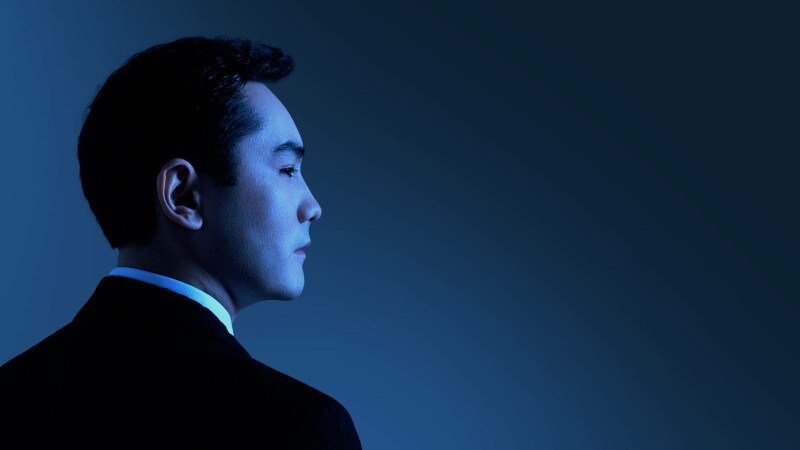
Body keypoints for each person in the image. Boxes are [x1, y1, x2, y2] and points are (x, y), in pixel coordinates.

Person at [0, 36, 362, 449]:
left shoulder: (12, 395)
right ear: (183, 196)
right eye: (287, 169)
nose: (313, 207)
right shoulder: (296, 425)